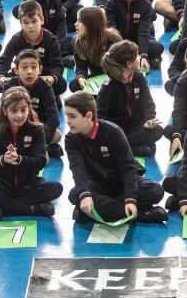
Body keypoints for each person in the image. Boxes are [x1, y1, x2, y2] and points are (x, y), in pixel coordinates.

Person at [64, 91, 168, 224]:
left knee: (156, 190)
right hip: (98, 184)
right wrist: (85, 195)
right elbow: (77, 169)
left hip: (122, 182)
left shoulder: (113, 132)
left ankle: (93, 212)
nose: (68, 122)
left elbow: (128, 168)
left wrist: (130, 199)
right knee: (75, 195)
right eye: (67, 116)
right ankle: (140, 214)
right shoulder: (71, 139)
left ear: (88, 116)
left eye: (72, 116)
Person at [0, 87, 62, 220]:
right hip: (2, 185)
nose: (19, 115)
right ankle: (31, 209)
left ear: (29, 109)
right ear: (4, 111)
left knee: (56, 188)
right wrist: (3, 159)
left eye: (23, 110)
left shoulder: (37, 129)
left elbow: (41, 161)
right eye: (14, 110)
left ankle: (2, 205)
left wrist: (20, 159)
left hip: (29, 184)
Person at [95, 40, 162, 157]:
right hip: (116, 130)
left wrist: (149, 119)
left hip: (136, 126)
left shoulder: (139, 77)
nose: (140, 57)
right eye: (136, 55)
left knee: (158, 130)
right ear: (128, 64)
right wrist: (112, 133)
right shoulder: (108, 86)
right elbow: (100, 117)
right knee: (150, 149)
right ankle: (128, 146)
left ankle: (121, 147)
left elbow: (148, 103)